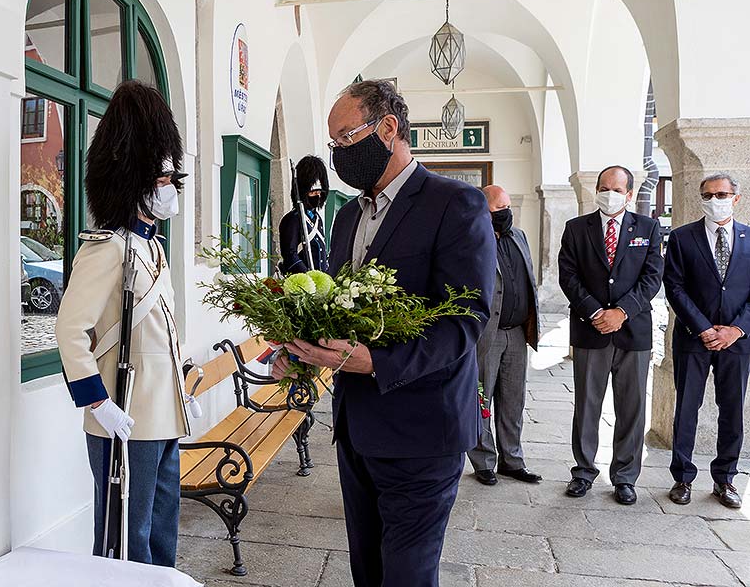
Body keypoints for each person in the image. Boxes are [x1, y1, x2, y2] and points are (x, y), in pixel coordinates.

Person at [273, 80, 495, 587]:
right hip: (356, 426)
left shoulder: (454, 203)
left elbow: (464, 319)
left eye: (346, 140)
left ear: (389, 128)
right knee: (367, 569)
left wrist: (377, 362)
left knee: (408, 574)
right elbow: (338, 311)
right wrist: (301, 351)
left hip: (423, 428)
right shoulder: (347, 216)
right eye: (333, 146)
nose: (337, 156)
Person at [54, 80, 189, 565]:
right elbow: (70, 330)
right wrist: (97, 402)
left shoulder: (152, 247)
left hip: (163, 414)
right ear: (134, 179)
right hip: (125, 415)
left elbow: (160, 331)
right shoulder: (106, 248)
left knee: (161, 537)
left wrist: (181, 381)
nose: (172, 190)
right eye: (164, 180)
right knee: (125, 540)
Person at [557, 165, 663, 505]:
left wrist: (622, 312)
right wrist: (595, 312)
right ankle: (584, 472)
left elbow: (652, 277)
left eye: (616, 189)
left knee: (632, 407)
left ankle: (625, 477)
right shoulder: (576, 229)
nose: (609, 193)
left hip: (634, 332)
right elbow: (568, 275)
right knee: (587, 404)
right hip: (591, 330)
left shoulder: (648, 228)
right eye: (604, 187)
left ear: (629, 194)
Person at [664, 173, 750, 509]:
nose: (715, 200)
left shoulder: (749, 238)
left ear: (736, 198)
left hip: (737, 342)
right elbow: (674, 287)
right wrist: (703, 328)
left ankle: (725, 479)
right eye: (708, 195)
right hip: (692, 338)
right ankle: (682, 477)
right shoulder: (683, 238)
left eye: (722, 194)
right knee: (687, 408)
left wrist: (735, 330)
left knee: (732, 409)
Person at [469, 185, 541, 486]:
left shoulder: (519, 236)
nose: (506, 214)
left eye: (508, 206)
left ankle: (512, 460)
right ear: (484, 211)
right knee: (481, 399)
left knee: (513, 401)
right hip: (488, 333)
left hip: (516, 333)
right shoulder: (472, 240)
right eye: (500, 209)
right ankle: (484, 461)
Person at [278, 155, 330, 274]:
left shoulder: (317, 219)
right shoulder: (293, 219)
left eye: (319, 192)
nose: (317, 195)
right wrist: (308, 276)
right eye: (313, 192)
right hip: (303, 281)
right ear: (304, 192)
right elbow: (290, 254)